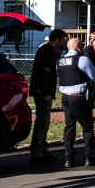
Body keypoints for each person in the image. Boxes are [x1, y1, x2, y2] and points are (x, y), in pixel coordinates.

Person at [59, 38, 95, 168]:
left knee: (69, 128)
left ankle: (68, 159)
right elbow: (94, 76)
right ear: (76, 46)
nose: (83, 46)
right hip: (78, 97)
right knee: (87, 127)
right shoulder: (82, 59)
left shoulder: (60, 60)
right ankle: (89, 157)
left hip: (65, 97)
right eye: (81, 45)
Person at [29, 29, 67, 166]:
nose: (63, 43)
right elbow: (43, 73)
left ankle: (44, 149)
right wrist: (45, 93)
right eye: (63, 40)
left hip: (45, 92)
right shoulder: (46, 51)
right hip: (42, 93)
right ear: (57, 39)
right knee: (42, 122)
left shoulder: (49, 51)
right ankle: (36, 153)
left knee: (45, 123)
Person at [83, 32, 95, 121]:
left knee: (92, 95)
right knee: (89, 95)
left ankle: (89, 115)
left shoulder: (94, 50)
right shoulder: (88, 50)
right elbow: (88, 64)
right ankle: (86, 116)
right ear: (92, 40)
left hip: (92, 75)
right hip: (87, 76)